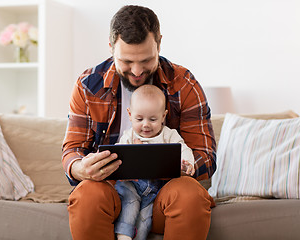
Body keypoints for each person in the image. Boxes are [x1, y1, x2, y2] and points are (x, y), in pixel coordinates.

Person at [62, 5, 216, 240]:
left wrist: (190, 165)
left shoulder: (184, 84)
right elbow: (72, 151)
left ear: (159, 44)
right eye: (126, 61)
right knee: (87, 195)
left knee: (189, 194)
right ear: (111, 47)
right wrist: (79, 168)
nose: (136, 71)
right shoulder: (87, 85)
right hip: (112, 193)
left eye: (146, 60)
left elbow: (206, 155)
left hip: (166, 195)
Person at [115, 84, 195, 240]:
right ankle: (123, 236)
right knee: (130, 204)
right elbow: (118, 153)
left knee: (146, 218)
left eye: (153, 119)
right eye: (139, 119)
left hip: (155, 191)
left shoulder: (169, 135)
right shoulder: (129, 136)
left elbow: (183, 150)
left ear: (163, 116)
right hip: (131, 184)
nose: (145, 124)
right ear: (130, 115)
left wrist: (187, 163)